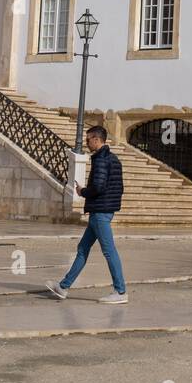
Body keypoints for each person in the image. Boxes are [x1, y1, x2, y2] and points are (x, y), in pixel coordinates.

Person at [46, 125, 128, 304]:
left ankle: (120, 291)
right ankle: (64, 286)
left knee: (109, 251)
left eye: (88, 139)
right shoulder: (114, 159)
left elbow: (98, 187)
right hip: (103, 211)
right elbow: (119, 188)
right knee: (83, 248)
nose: (86, 142)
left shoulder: (100, 160)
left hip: (100, 212)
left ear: (97, 140)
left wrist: (83, 191)